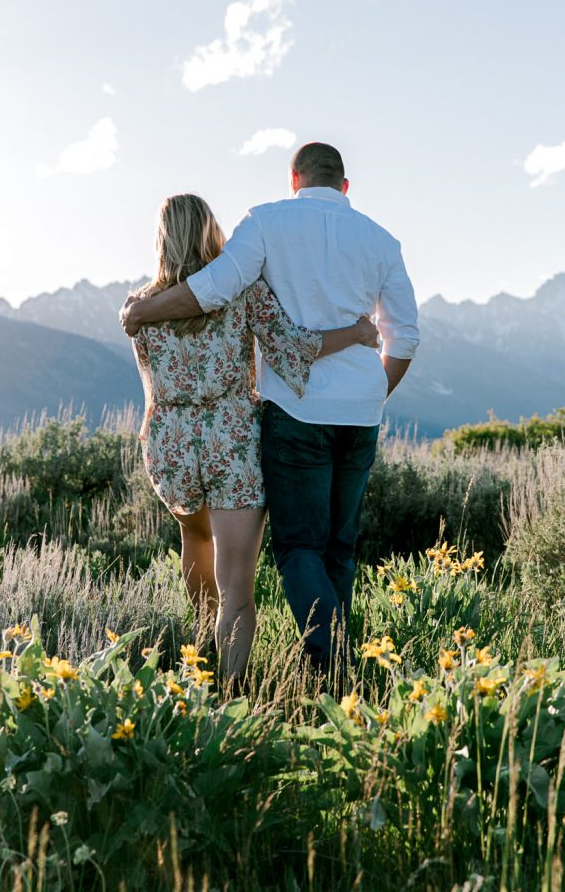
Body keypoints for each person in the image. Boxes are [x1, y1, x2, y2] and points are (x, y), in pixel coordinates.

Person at [121, 145, 419, 685]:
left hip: (169, 441)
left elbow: (150, 380)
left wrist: (140, 318)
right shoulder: (244, 293)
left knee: (196, 542)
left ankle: (201, 656)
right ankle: (241, 684)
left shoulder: (139, 307)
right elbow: (292, 346)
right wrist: (355, 335)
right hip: (232, 440)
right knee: (246, 576)